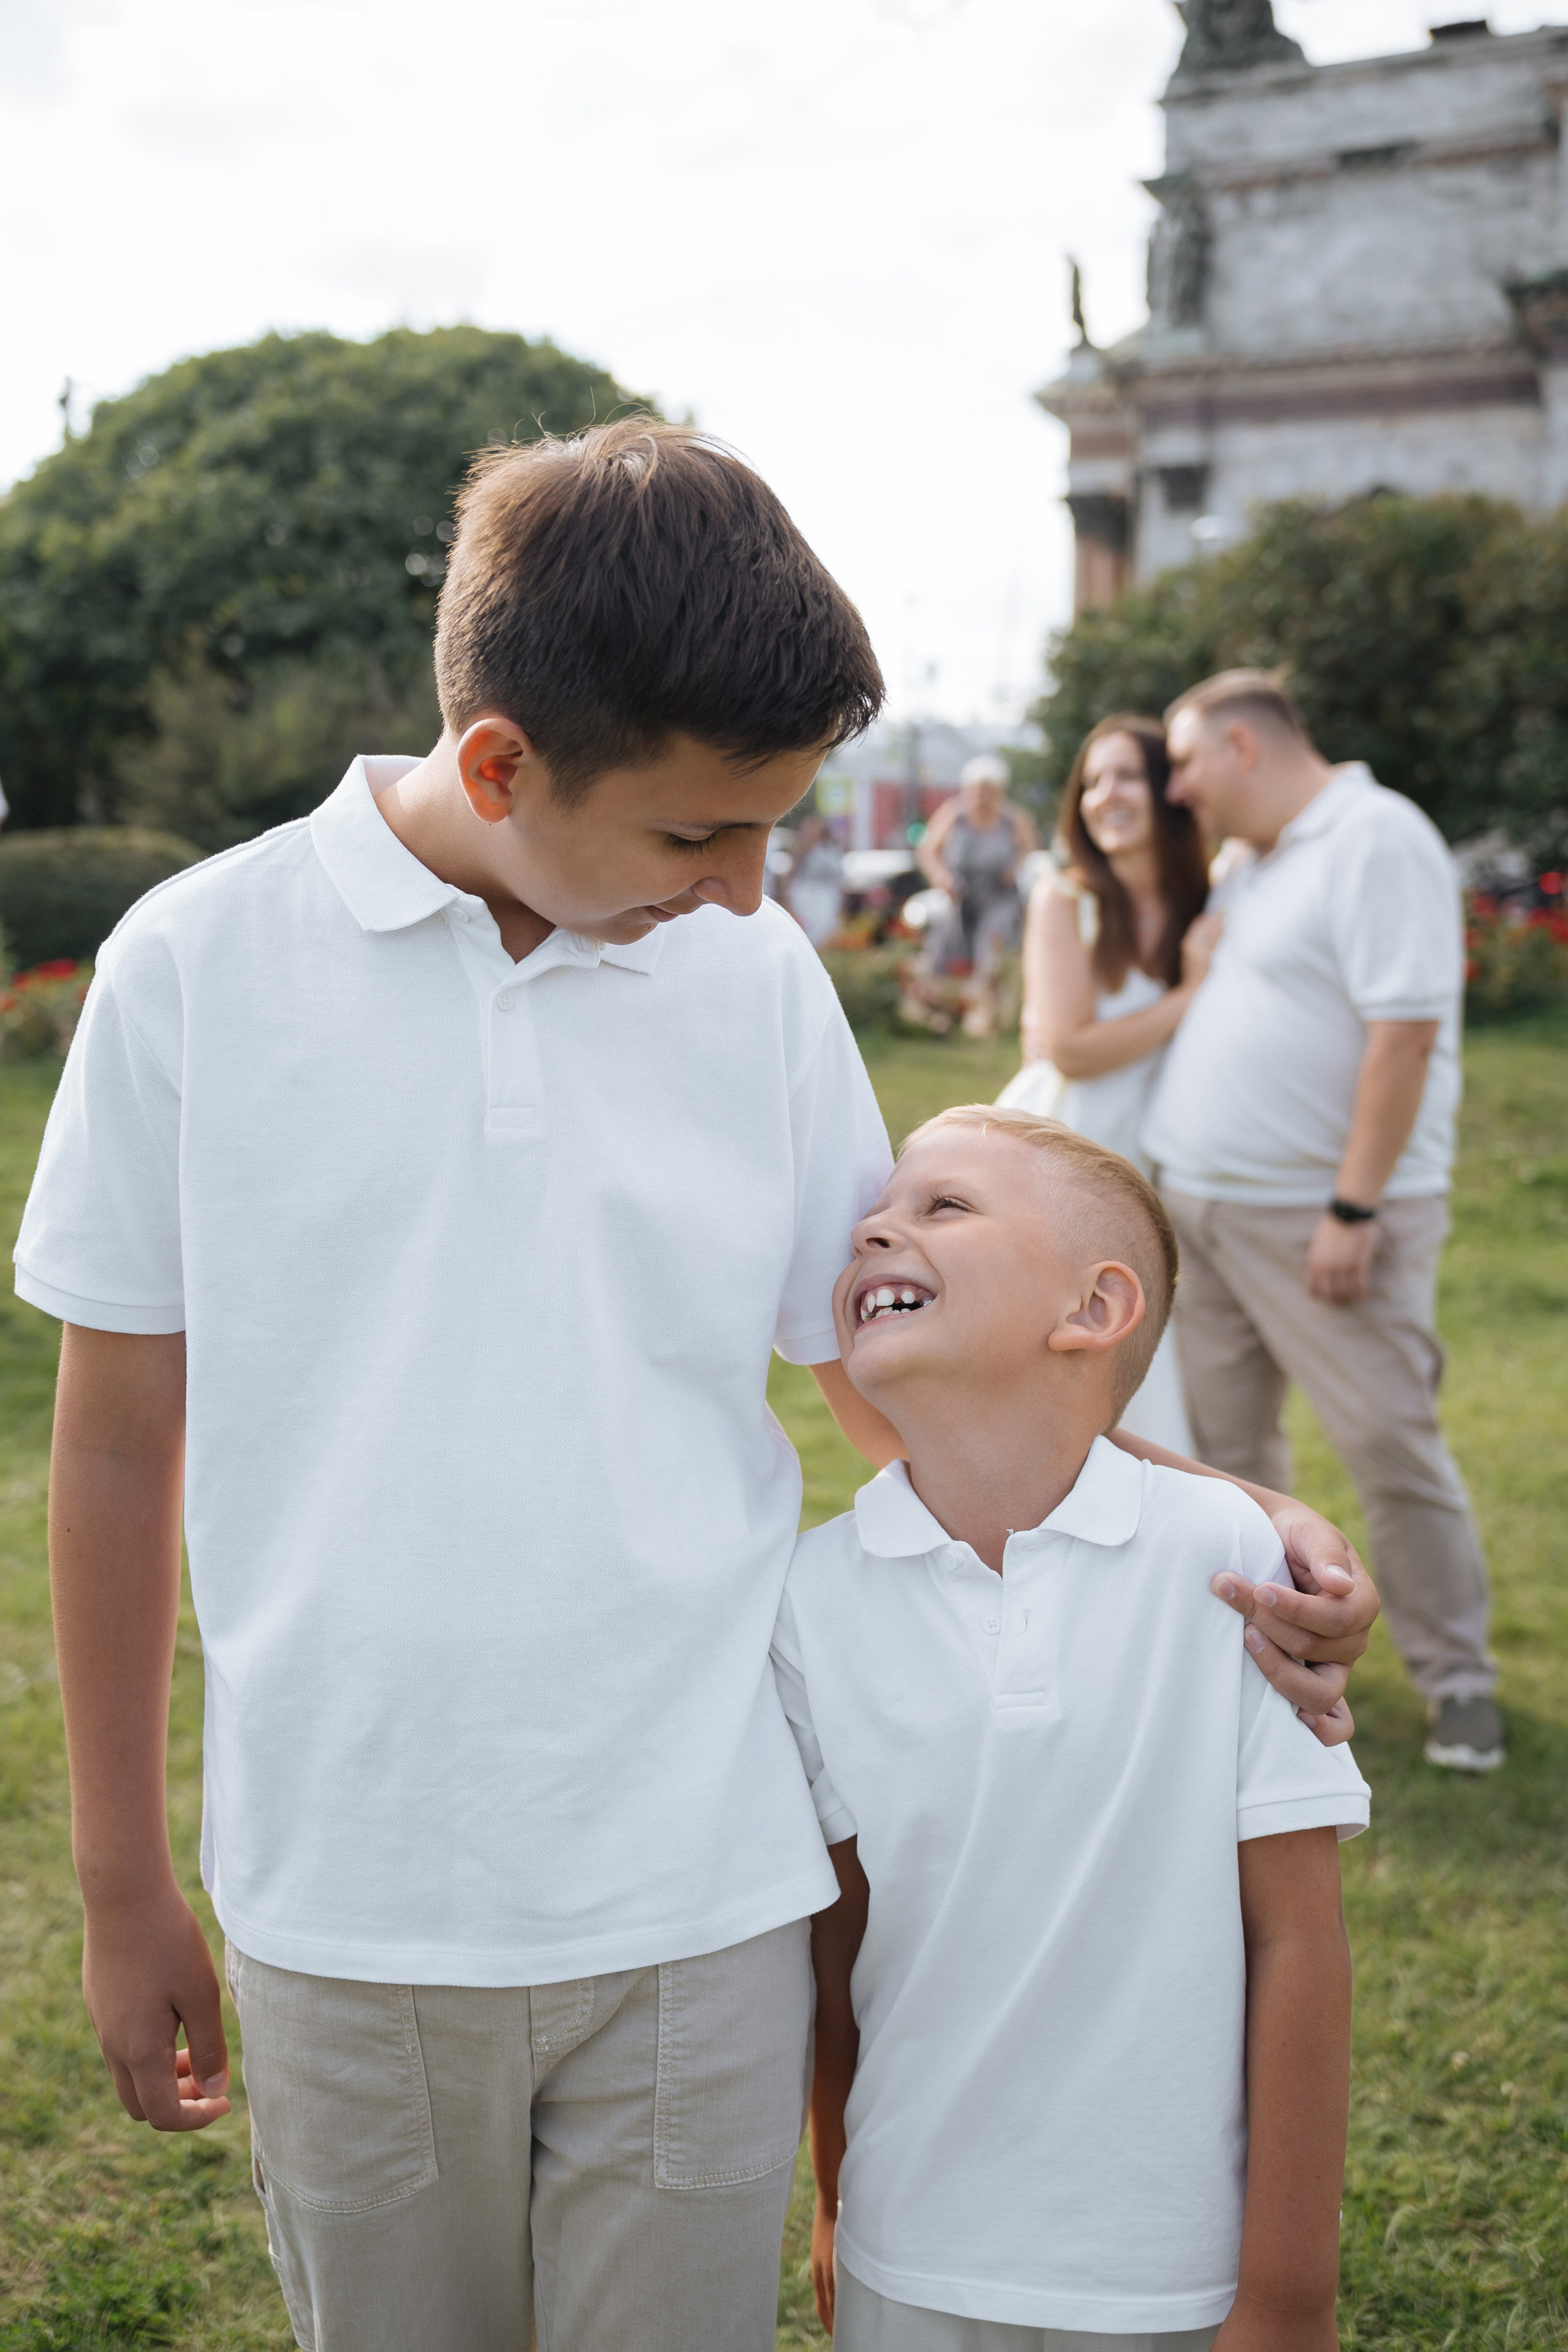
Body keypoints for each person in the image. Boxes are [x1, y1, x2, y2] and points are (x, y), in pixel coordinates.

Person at [15, 426, 1376, 2352]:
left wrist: (1220, 1519)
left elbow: (895, 1361)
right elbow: (118, 1434)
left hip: (711, 1891)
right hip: (349, 1899)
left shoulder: (747, 982)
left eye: (776, 834)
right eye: (694, 836)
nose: (749, 893)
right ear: (499, 765)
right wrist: (119, 1868)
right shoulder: (193, 967)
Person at [776, 1106, 1367, 2351]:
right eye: (874, 1218)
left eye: (944, 1207)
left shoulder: (1227, 1563)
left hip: (1173, 2283)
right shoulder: (805, 1599)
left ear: (1092, 1310)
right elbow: (837, 1958)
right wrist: (834, 2207)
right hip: (907, 2263)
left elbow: (1296, 1944)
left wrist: (1284, 2295)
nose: (877, 1226)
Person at [1146, 668, 1500, 1774]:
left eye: (1189, 762)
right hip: (1200, 1209)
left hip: (1321, 1219)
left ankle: (1461, 1688)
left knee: (1388, 1443)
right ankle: (1262, 1666)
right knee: (1229, 1455)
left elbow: (1404, 1035)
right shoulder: (1253, 859)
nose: (1179, 789)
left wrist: (1354, 1207)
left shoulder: (1377, 836)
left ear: (1246, 748)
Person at [999, 714, 1220, 1450]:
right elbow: (1069, 1048)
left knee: (1166, 1375)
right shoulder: (1066, 898)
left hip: (1167, 1163)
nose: (1104, 796)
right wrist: (1188, 995)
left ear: (1169, 791)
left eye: (1126, 775)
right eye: (1092, 781)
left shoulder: (1206, 901)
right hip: (1072, 1157)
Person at [917, 753, 1037, 981]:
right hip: (960, 895)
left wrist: (1015, 869)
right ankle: (943, 999)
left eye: (988, 791)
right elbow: (928, 852)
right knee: (944, 943)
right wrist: (941, 877)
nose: (981, 797)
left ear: (999, 792)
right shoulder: (953, 814)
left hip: (999, 896)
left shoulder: (1012, 818)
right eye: (976, 790)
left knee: (992, 945)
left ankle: (986, 1000)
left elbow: (1031, 848)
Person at [786, 809, 846, 946]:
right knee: (806, 926)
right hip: (804, 892)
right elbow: (791, 874)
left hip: (824, 893)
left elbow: (838, 872)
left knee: (824, 926)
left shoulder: (828, 848)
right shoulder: (798, 849)